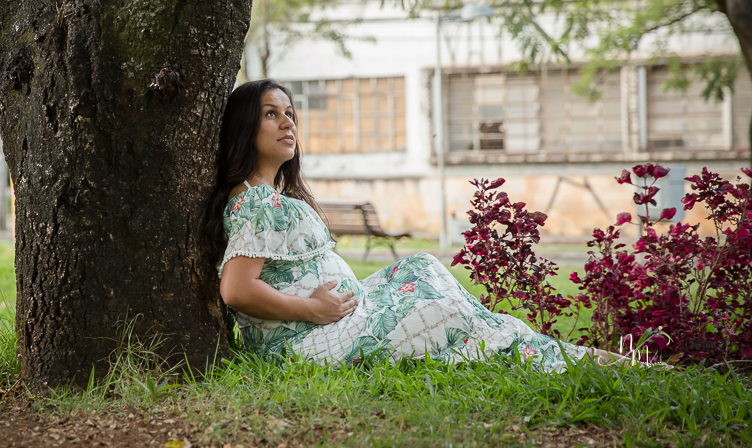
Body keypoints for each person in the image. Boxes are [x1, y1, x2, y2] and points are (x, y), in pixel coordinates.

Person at [207, 79, 621, 371]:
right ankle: (562, 357)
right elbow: (237, 289)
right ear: (245, 127)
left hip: (333, 322)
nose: (288, 123)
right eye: (271, 114)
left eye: (291, 114)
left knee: (421, 268)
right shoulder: (255, 200)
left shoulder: (267, 194)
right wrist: (313, 309)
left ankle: (545, 350)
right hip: (308, 341)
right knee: (442, 308)